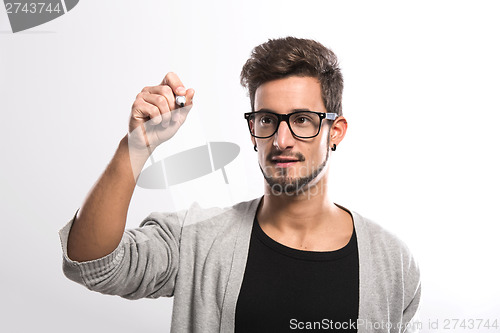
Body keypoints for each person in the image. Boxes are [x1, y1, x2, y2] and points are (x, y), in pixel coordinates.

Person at [59, 37, 421, 332]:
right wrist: (135, 148)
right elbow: (94, 264)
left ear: (335, 131)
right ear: (253, 130)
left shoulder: (392, 263)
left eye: (302, 120)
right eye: (267, 119)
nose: (281, 139)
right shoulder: (196, 239)